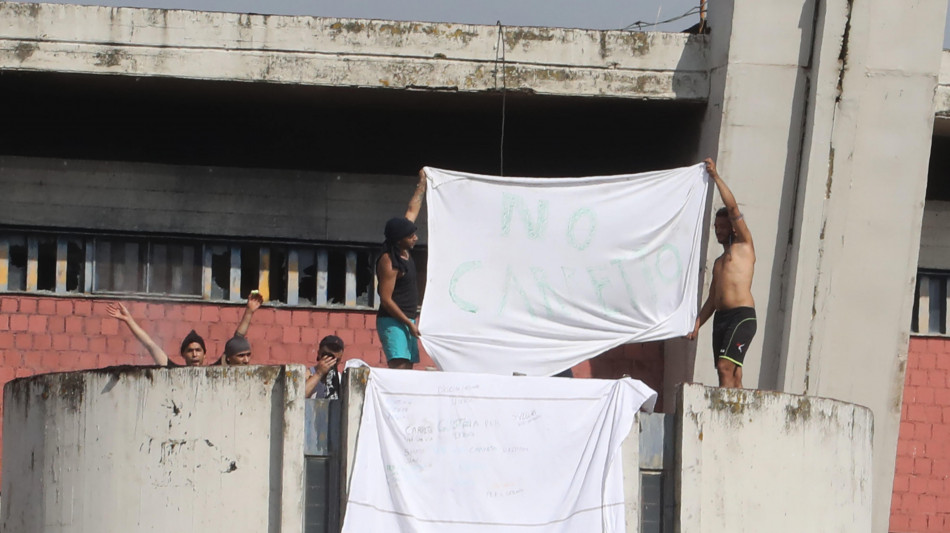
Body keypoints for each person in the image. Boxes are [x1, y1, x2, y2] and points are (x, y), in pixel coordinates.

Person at [687, 158, 756, 389]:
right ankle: (739, 413)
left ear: (733, 227)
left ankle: (727, 413)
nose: (718, 230)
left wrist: (715, 176)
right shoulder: (718, 263)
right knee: (730, 373)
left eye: (722, 226)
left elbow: (734, 208)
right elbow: (713, 300)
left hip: (741, 315)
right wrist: (697, 323)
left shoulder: (744, 245)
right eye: (715, 227)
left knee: (725, 366)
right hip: (721, 318)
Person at [109, 290, 263, 367]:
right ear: (183, 354)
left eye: (198, 350)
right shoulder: (173, 371)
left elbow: (238, 338)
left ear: (204, 354)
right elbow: (150, 344)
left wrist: (249, 311)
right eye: (190, 351)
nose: (195, 354)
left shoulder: (215, 372)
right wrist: (128, 320)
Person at [375, 169, 427, 370]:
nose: (415, 237)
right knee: (400, 367)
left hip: (407, 319)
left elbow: (412, 209)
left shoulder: (402, 245)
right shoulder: (389, 261)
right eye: (411, 235)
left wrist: (422, 182)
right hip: (393, 321)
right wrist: (408, 322)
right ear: (399, 239)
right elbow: (386, 300)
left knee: (409, 367)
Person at [305, 335, 344, 399]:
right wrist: (319, 373)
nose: (331, 362)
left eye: (335, 360)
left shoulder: (340, 380)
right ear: (319, 354)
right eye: (327, 356)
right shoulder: (307, 375)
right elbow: (297, 398)